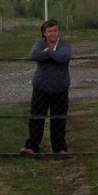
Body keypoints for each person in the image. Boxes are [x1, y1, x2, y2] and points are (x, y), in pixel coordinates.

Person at [19, 19, 72, 155]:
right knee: (37, 118)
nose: (53, 33)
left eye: (55, 30)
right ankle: (32, 147)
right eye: (50, 31)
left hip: (60, 88)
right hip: (41, 88)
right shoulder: (39, 44)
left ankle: (59, 148)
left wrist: (47, 52)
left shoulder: (65, 44)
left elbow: (63, 57)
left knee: (58, 119)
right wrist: (53, 54)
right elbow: (34, 55)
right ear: (44, 33)